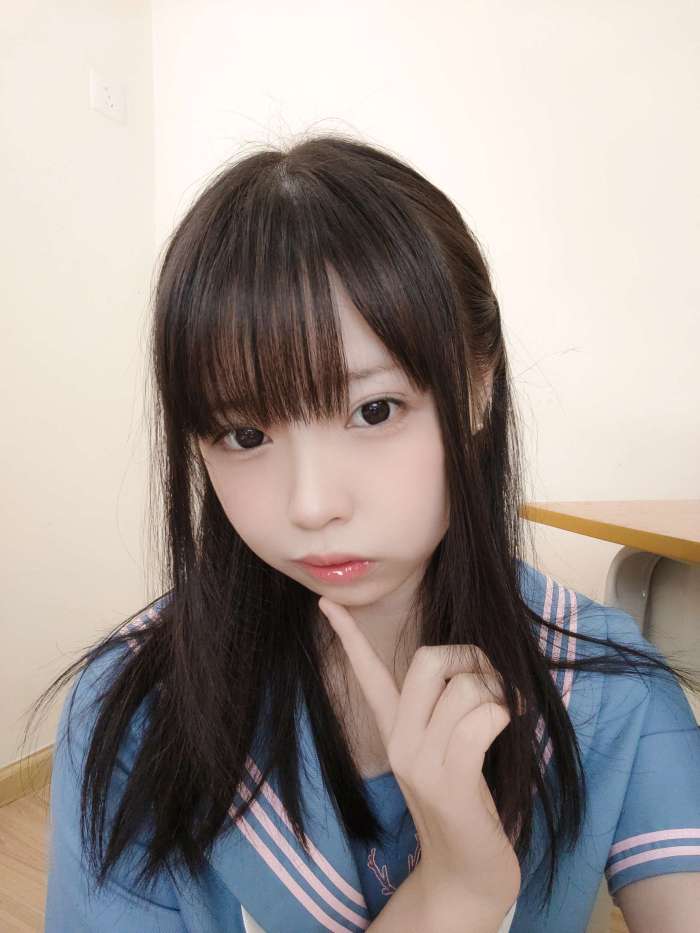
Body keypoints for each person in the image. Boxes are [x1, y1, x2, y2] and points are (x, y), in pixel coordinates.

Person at [33, 134, 700, 932]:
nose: (312, 504)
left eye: (373, 410)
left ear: (478, 388)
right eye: (245, 434)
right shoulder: (135, 709)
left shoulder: (606, 686)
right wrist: (455, 890)